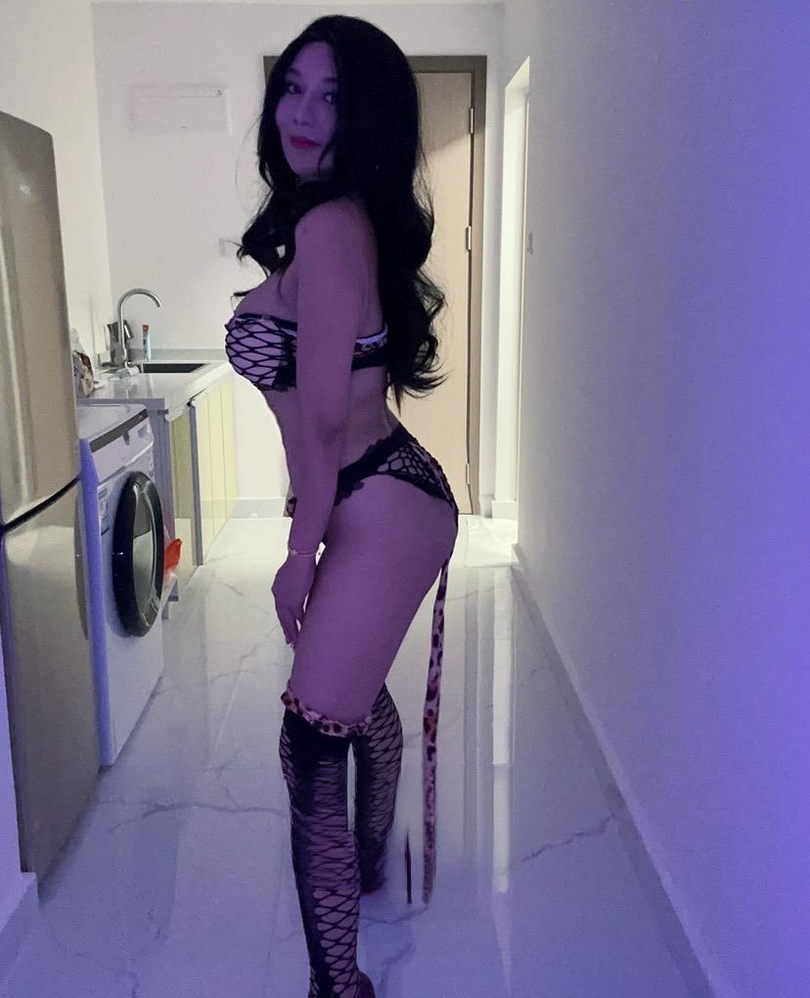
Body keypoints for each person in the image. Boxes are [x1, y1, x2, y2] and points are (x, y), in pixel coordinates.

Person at [224, 15, 459, 997]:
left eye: (334, 97)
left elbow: (321, 422)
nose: (304, 113)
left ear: (368, 118)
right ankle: (364, 859)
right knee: (342, 700)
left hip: (378, 498)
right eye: (293, 87)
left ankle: (340, 984)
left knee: (311, 739)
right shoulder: (332, 218)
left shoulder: (328, 227)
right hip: (377, 489)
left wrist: (296, 554)